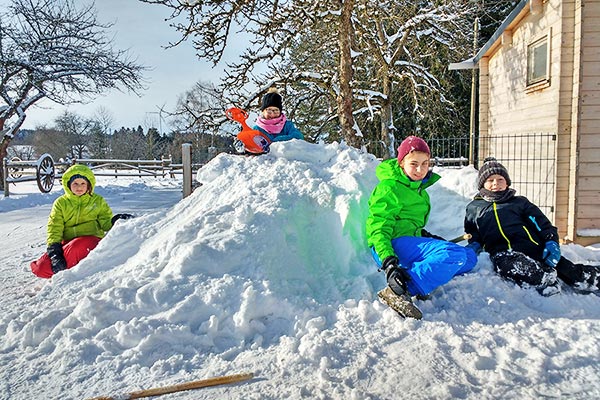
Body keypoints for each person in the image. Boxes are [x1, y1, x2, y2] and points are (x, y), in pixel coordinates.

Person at [464, 157, 600, 295]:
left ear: (507, 182)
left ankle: (594, 278)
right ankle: (545, 280)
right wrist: (474, 244)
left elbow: (542, 223)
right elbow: (473, 232)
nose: (496, 184)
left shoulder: (519, 203)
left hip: (534, 248)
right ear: (482, 184)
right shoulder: (474, 208)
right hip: (503, 253)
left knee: (570, 271)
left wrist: (551, 241)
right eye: (490, 180)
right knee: (511, 266)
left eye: (500, 179)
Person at [366, 136, 478, 299]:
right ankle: (403, 288)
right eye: (414, 164)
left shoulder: (420, 191)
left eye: (425, 163)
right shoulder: (389, 188)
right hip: (389, 245)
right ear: (401, 163)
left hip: (409, 242)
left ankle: (421, 271)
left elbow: (408, 222)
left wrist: (427, 236)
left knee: (469, 258)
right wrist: (389, 263)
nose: (420, 169)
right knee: (453, 255)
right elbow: (378, 228)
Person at [30, 164, 132, 278]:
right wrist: (54, 252)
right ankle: (70, 269)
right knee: (41, 268)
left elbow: (105, 224)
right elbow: (55, 227)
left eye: (83, 183)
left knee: (78, 245)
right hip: (68, 243)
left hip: (90, 241)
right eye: (75, 184)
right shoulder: (61, 203)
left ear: (89, 184)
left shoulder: (97, 201)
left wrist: (115, 220)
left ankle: (74, 275)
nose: (79, 187)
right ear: (68, 185)